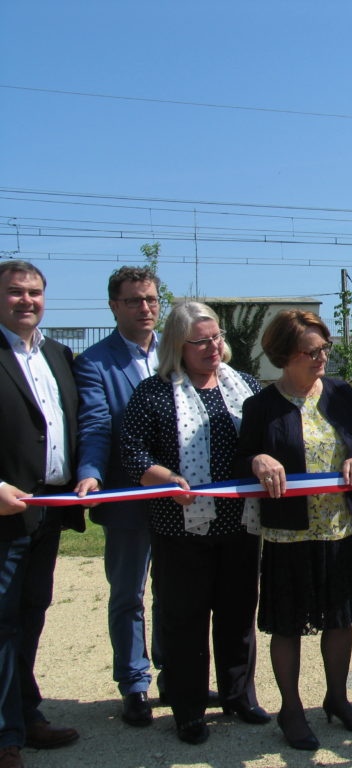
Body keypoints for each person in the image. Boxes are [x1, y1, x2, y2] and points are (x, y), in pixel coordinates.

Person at [121, 301, 269, 745]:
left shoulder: (245, 384)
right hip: (180, 529)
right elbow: (132, 453)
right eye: (201, 340)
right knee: (184, 621)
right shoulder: (152, 392)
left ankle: (238, 696)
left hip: (241, 525)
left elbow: (265, 437)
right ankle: (188, 709)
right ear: (177, 346)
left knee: (238, 615)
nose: (213, 346)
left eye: (217, 337)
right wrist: (165, 478)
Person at [235, 310, 352, 751]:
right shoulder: (261, 405)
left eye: (324, 348)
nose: (321, 357)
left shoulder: (340, 393)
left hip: (339, 528)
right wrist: (258, 460)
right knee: (289, 626)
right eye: (310, 351)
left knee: (339, 618)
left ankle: (337, 698)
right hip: (288, 534)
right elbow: (242, 460)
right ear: (283, 355)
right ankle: (291, 710)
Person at [0, 261, 84, 768]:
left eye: (34, 292)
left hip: (48, 512)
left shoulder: (57, 355)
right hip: (3, 513)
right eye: (15, 293)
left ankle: (26, 714)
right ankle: (6, 734)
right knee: (2, 624)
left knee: (29, 618)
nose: (27, 301)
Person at [73, 266, 164, 727]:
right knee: (129, 594)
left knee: (175, 591)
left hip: (177, 497)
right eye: (134, 301)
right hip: (126, 496)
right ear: (113, 306)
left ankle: (176, 673)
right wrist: (89, 474)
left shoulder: (176, 348)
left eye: (151, 299)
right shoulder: (93, 362)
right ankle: (134, 684)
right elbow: (95, 427)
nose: (145, 308)